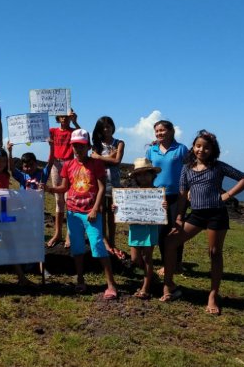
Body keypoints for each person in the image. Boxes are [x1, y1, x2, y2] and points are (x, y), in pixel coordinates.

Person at [160, 130, 244, 315]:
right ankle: (168, 285)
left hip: (217, 214)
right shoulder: (187, 168)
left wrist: (227, 195)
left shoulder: (217, 166)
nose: (201, 150)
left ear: (213, 149)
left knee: (214, 253)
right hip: (196, 215)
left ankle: (213, 295)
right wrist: (179, 217)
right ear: (193, 147)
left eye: (206, 147)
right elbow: (183, 195)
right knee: (169, 243)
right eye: (198, 146)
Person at [45, 129, 119, 300]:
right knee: (77, 249)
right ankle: (80, 278)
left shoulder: (96, 164)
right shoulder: (68, 165)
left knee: (98, 246)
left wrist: (95, 209)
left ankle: (111, 284)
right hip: (73, 213)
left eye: (81, 146)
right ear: (71, 147)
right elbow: (64, 188)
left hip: (91, 214)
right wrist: (49, 189)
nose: (78, 149)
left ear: (88, 147)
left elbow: (101, 188)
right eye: (75, 146)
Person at [0, 147, 34, 288]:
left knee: (10, 244)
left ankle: (21, 277)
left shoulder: (6, 176)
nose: (1, 164)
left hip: (3, 214)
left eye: (3, 161)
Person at [117, 158, 166, 300]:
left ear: (152, 175)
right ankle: (151, 277)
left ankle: (145, 287)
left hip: (150, 229)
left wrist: (163, 207)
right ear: (136, 177)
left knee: (147, 258)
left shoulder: (157, 193)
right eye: (139, 174)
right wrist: (117, 208)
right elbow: (123, 207)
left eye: (146, 173)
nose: (143, 177)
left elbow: (162, 212)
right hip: (135, 227)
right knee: (135, 259)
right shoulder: (132, 192)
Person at [146, 120, 188, 275]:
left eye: (162, 130)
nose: (159, 133)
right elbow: (147, 172)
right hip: (157, 196)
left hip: (178, 196)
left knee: (176, 230)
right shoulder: (151, 150)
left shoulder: (181, 149)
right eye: (157, 131)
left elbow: (190, 169)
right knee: (162, 232)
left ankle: (177, 263)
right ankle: (166, 263)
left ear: (171, 131)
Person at [91, 116, 125, 260]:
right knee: (101, 214)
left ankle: (113, 242)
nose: (107, 129)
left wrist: (100, 158)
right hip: (99, 184)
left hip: (115, 184)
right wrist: (108, 157)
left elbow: (117, 161)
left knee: (113, 215)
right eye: (103, 127)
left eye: (109, 126)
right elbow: (94, 161)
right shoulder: (96, 144)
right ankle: (105, 242)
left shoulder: (120, 143)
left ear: (113, 126)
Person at [46, 109, 80, 248]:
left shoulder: (73, 132)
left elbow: (83, 135)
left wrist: (75, 121)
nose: (64, 119)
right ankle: (57, 233)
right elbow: (36, 130)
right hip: (55, 164)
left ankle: (68, 235)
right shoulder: (53, 130)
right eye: (62, 116)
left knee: (68, 199)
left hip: (69, 164)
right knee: (58, 200)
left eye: (66, 117)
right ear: (58, 117)